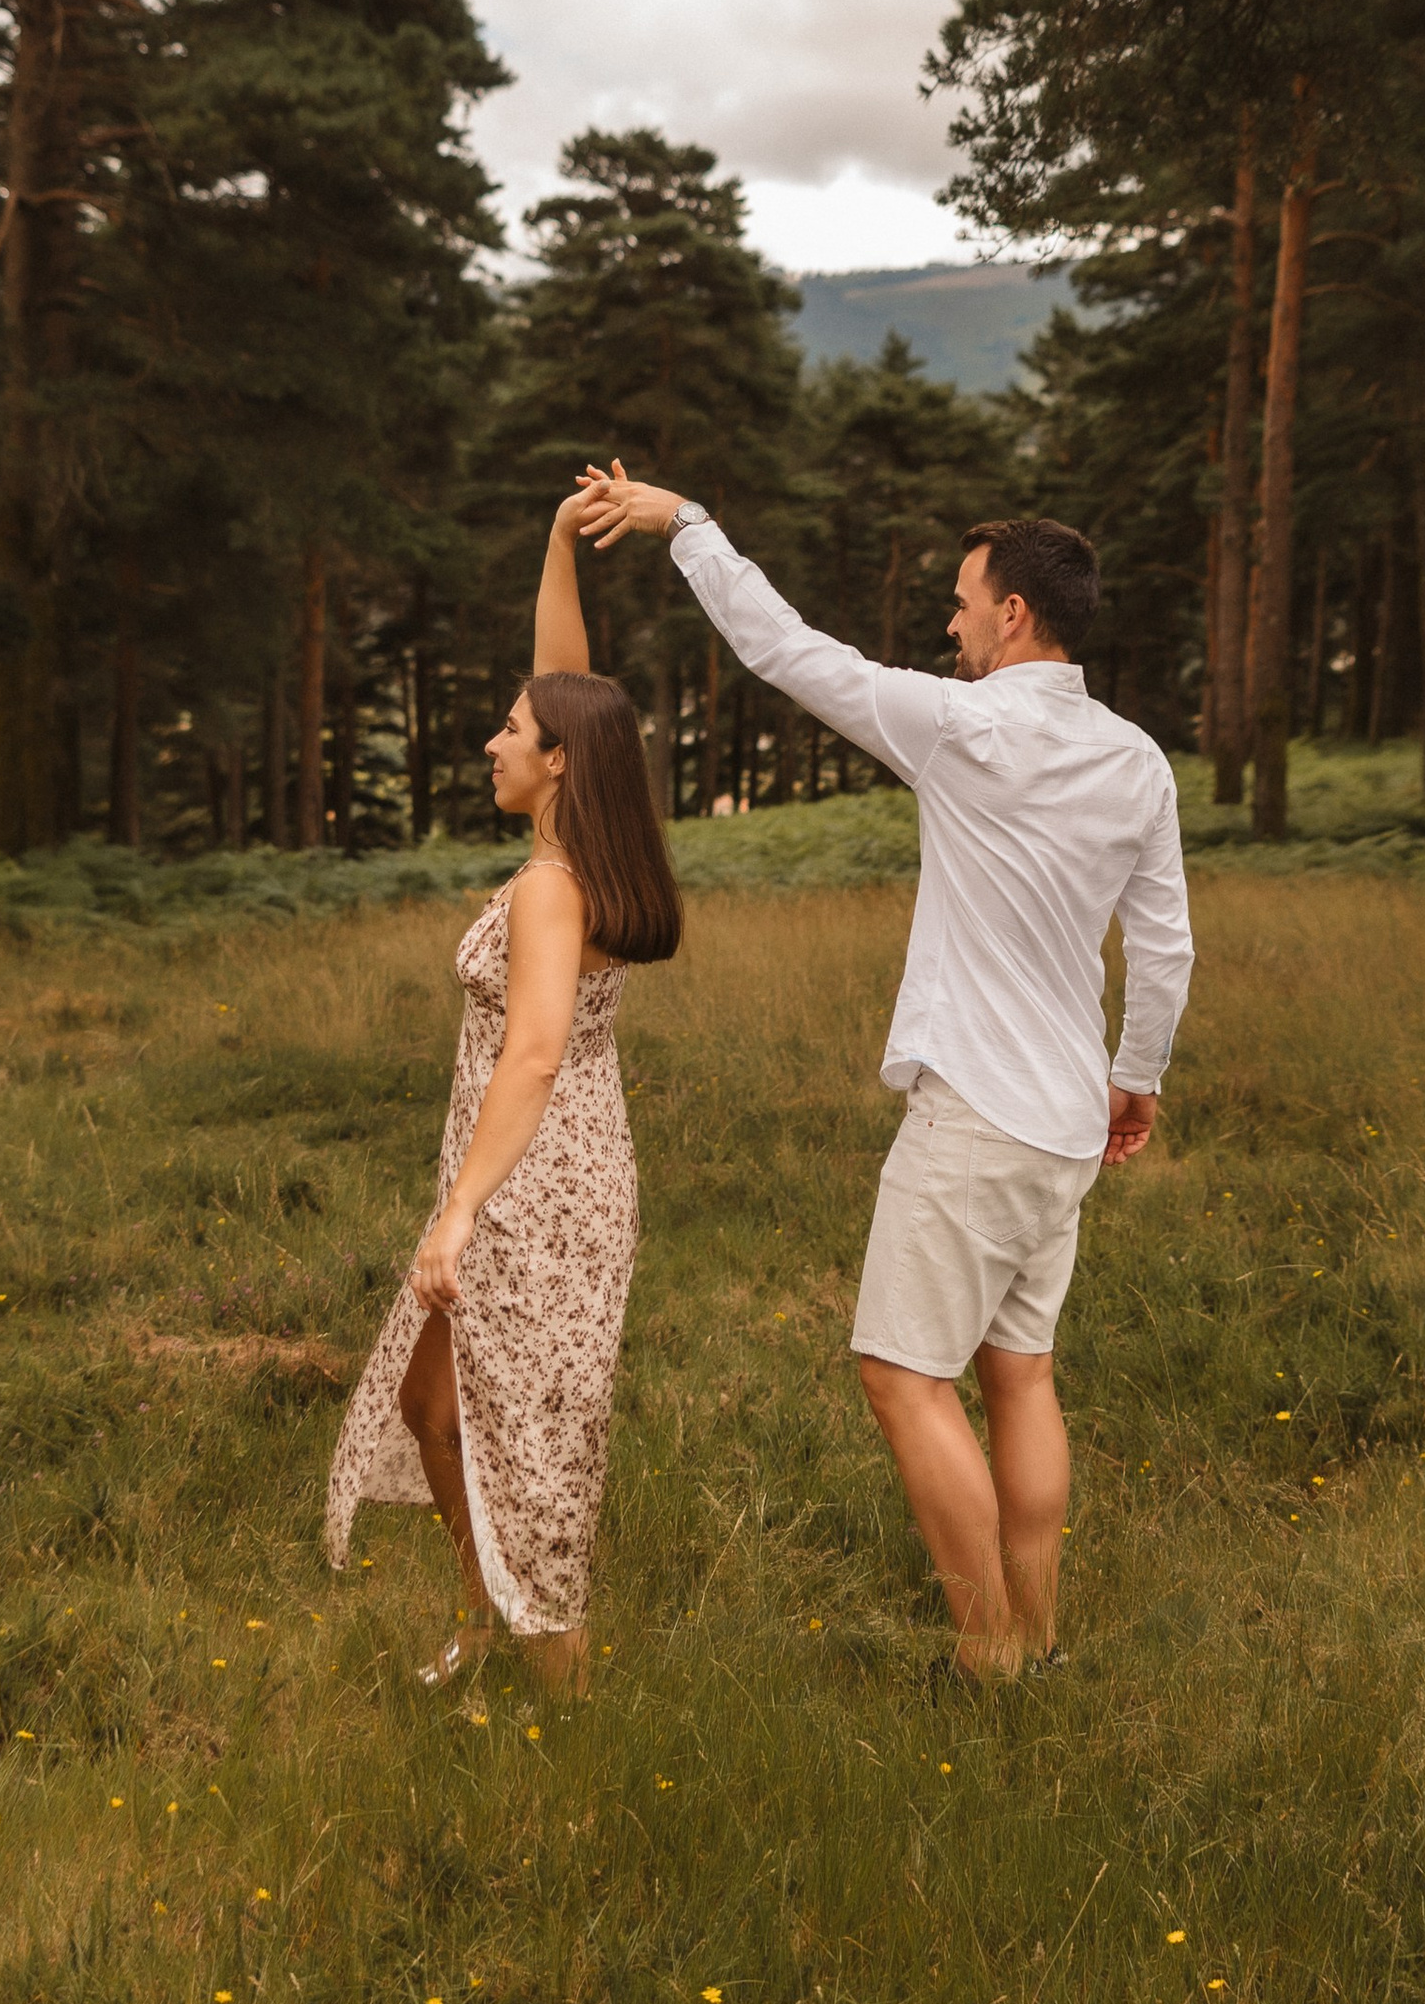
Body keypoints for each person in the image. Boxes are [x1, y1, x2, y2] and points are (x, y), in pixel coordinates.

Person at [578, 468, 1191, 1678]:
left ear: (1014, 613)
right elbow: (1163, 942)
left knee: (901, 1374)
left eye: (964, 602)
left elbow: (787, 651)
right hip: (1067, 1116)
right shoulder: (1138, 759)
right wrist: (1134, 1078)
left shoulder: (959, 725)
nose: (949, 623)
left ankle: (990, 1660)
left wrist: (690, 525)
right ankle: (1040, 1637)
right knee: (1019, 1374)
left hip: (978, 1109)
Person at [324, 489, 680, 1692]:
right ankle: (486, 1616)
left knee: (526, 1439)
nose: (492, 738)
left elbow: (530, 1053)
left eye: (509, 729)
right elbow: (566, 683)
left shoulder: (549, 888)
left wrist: (461, 1207)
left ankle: (561, 1691)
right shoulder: (576, 845)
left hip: (534, 1184)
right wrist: (553, 551)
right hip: (551, 1163)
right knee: (437, 1407)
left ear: (559, 762)